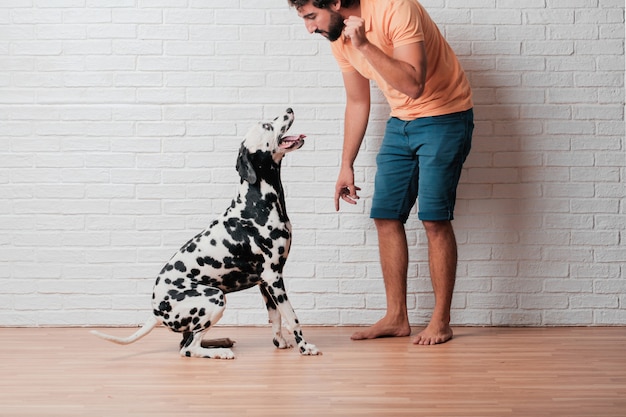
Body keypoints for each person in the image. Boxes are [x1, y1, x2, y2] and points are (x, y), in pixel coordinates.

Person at [288, 0, 473, 345]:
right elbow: (358, 101)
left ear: (337, 3)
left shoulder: (396, 8)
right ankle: (396, 317)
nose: (309, 28)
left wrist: (366, 45)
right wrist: (346, 165)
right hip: (401, 122)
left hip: (445, 117)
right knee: (386, 216)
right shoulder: (339, 38)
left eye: (311, 17)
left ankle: (441, 321)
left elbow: (414, 84)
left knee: (434, 219)